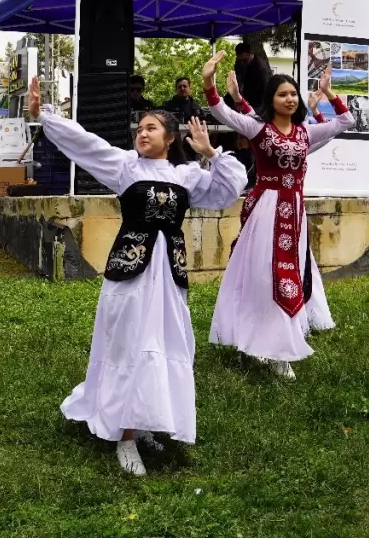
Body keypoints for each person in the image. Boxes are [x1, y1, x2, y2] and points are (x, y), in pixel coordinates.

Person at [29, 76, 246, 477]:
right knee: (130, 343)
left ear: (170, 138)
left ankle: (146, 421)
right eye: (139, 129)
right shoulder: (125, 167)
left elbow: (229, 190)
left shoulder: (186, 176)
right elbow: (85, 144)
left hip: (168, 275)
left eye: (151, 128)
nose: (142, 134)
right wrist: (45, 116)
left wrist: (210, 153)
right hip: (131, 273)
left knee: (164, 342)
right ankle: (124, 436)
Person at [202, 51, 355, 381]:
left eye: (293, 93)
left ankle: (277, 342)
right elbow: (220, 111)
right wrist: (209, 81)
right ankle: (264, 342)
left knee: (290, 274)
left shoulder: (304, 133)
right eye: (282, 94)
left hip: (294, 212)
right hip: (266, 211)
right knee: (264, 275)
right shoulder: (259, 129)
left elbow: (346, 123)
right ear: (271, 99)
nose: (289, 99)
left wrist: (329, 93)